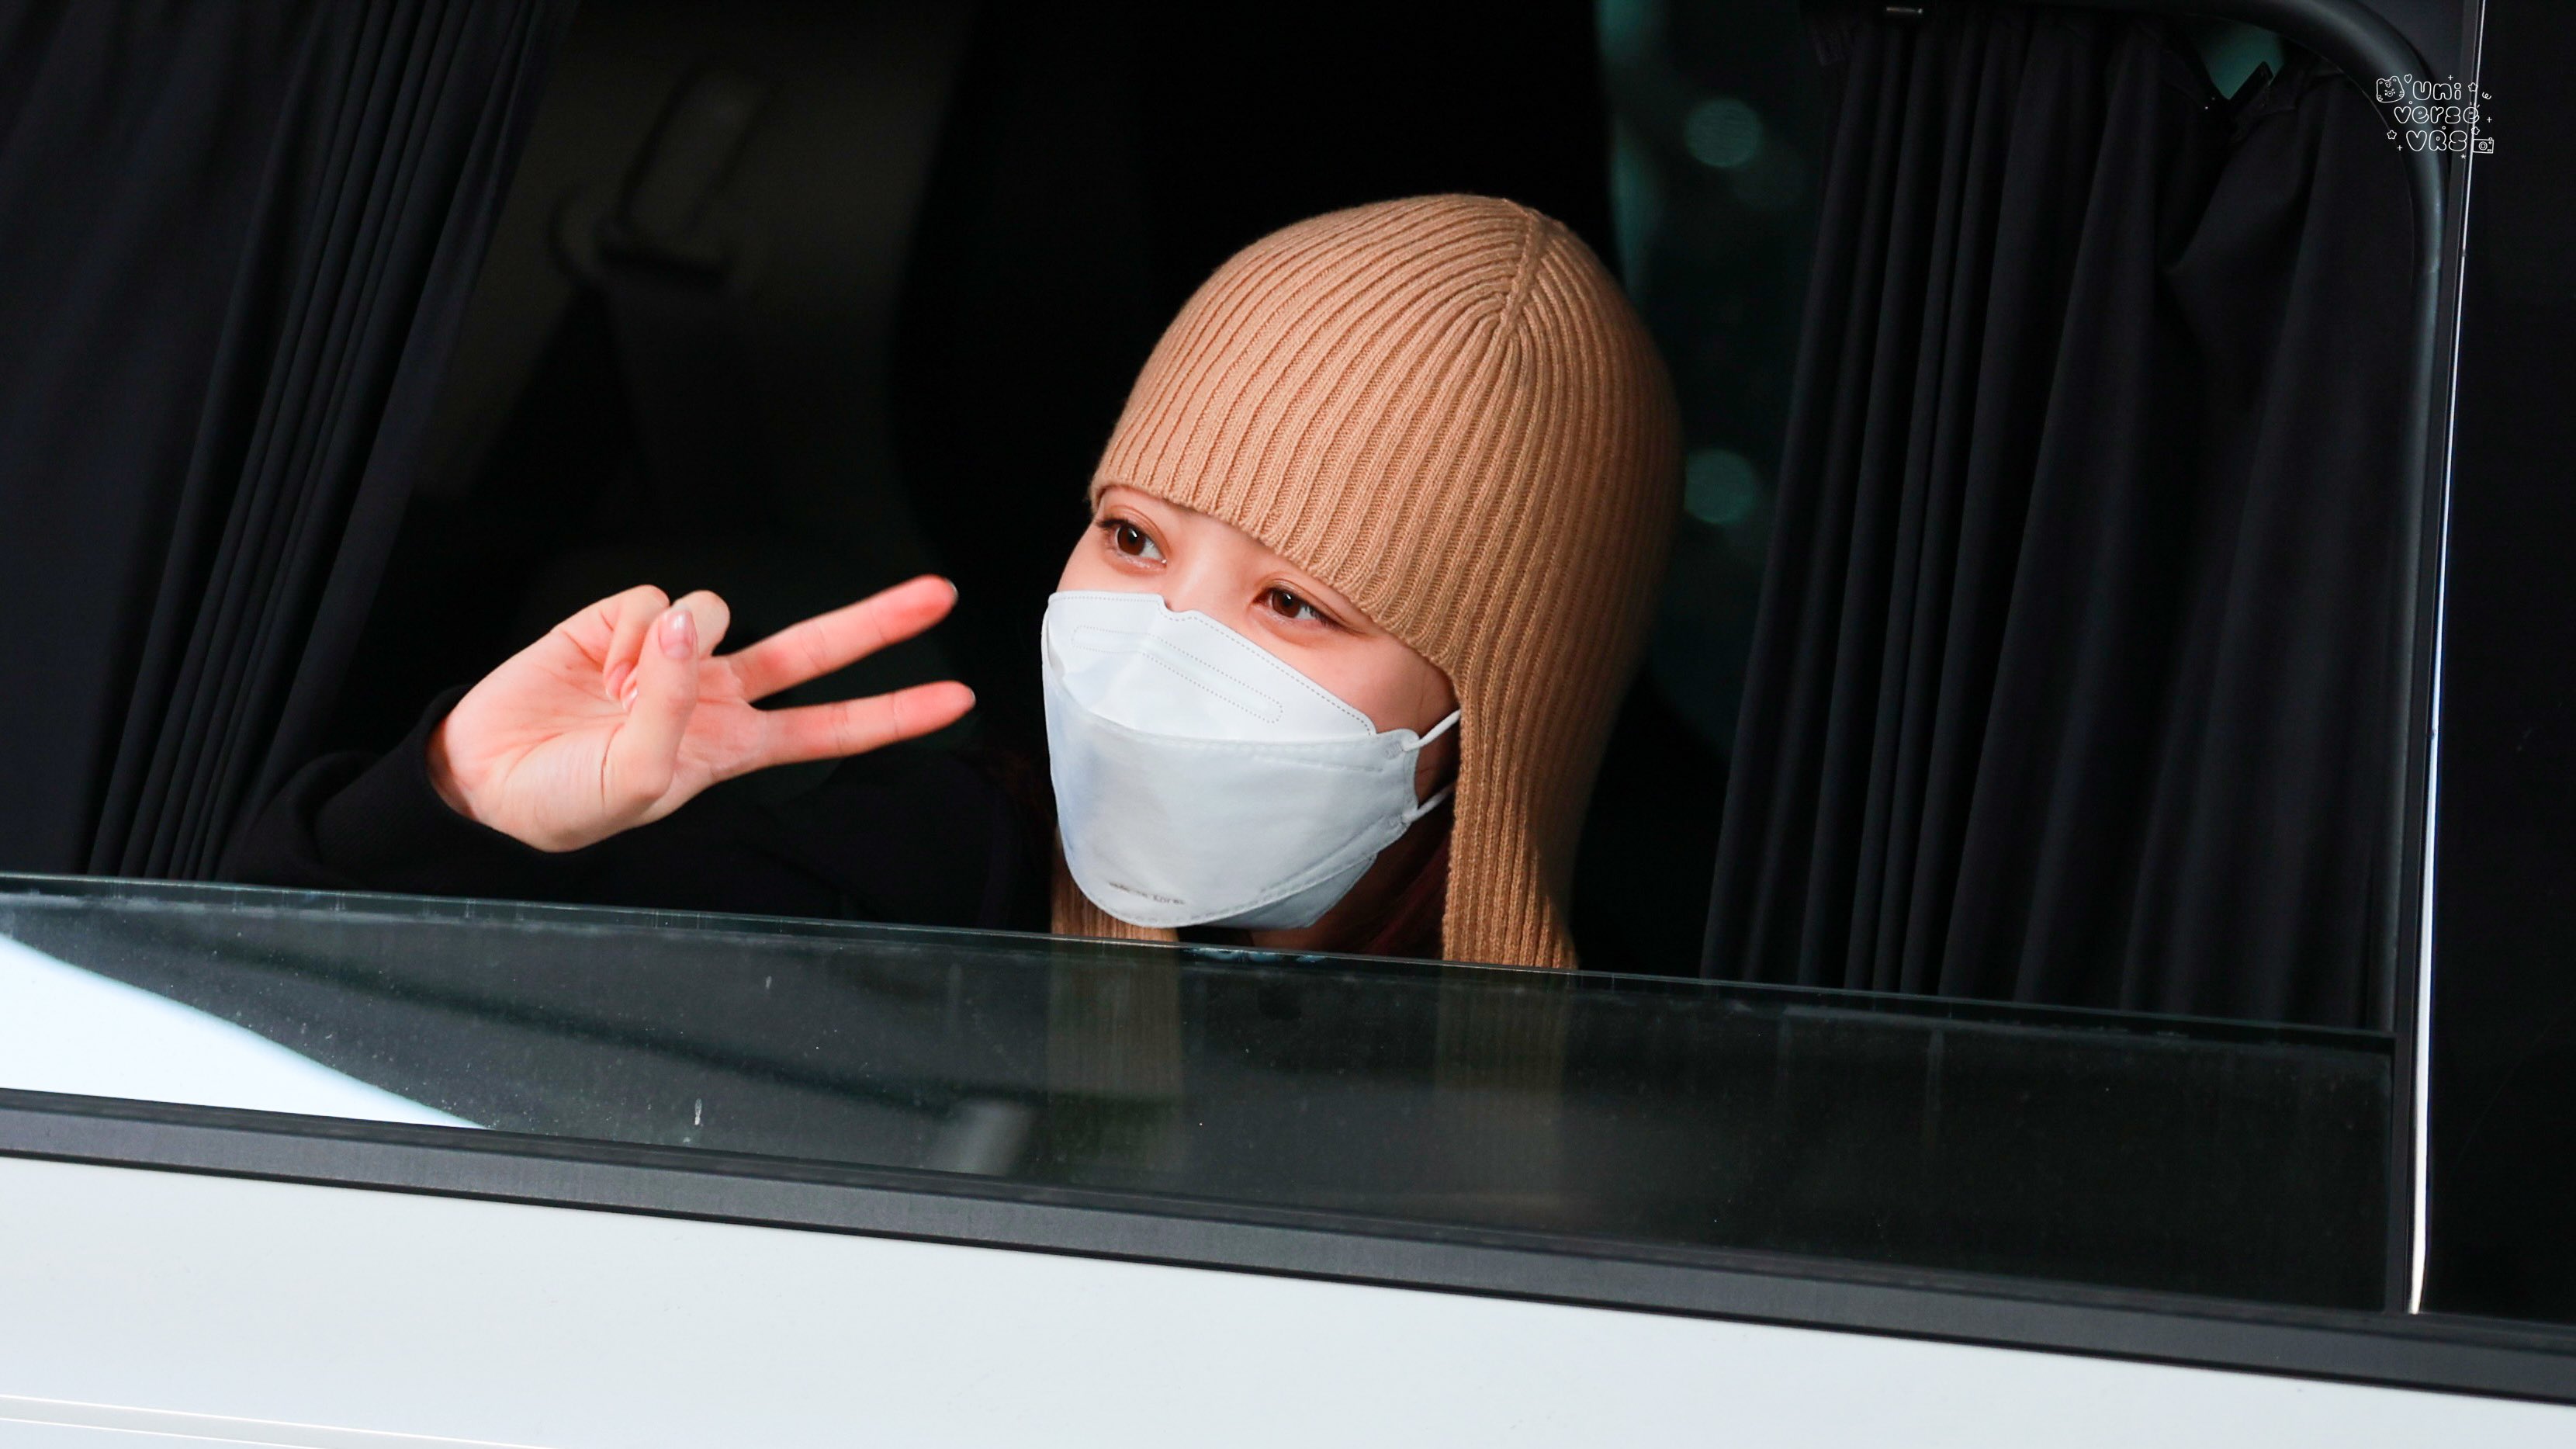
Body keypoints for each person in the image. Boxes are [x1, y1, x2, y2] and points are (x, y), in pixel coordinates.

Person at [234, 195, 1680, 969]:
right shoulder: (928, 881)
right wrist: (453, 806)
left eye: (1294, 604)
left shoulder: (1659, 1088)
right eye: (1134, 539)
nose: (1154, 647)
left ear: (1505, 705)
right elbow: (291, 1034)